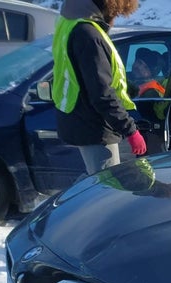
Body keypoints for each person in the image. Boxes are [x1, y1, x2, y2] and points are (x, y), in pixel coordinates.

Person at [51, 0, 147, 175]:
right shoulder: (89, 35)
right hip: (94, 127)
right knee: (107, 186)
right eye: (117, 14)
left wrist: (127, 89)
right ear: (110, 6)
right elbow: (102, 94)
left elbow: (86, 76)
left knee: (94, 181)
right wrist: (131, 131)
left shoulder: (70, 23)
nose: (115, 19)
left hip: (81, 118)